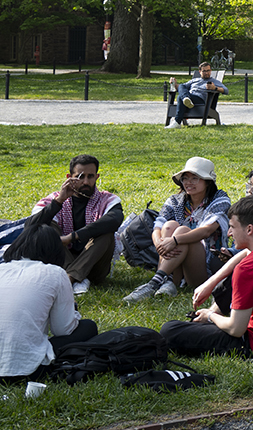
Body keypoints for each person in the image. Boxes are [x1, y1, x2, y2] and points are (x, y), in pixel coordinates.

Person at [161, 195, 253, 357]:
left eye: (232, 227)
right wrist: (211, 282)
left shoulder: (248, 269)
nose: (229, 233)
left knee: (169, 330)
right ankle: (212, 317)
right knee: (234, 271)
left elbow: (236, 329)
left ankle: (210, 316)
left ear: (249, 229)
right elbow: (247, 253)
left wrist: (210, 315)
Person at [0, 218, 98, 381]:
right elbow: (63, 330)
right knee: (88, 327)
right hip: (25, 369)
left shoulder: (2, 269)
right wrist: (73, 311)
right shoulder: (55, 273)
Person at [125, 157, 232, 302]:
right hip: (177, 268)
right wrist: (159, 243)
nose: (188, 182)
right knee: (169, 226)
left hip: (206, 267)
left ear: (207, 182)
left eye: (195, 178)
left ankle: (155, 282)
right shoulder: (176, 200)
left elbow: (207, 230)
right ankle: (169, 281)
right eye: (185, 178)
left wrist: (174, 240)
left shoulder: (220, 199)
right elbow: (158, 224)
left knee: (182, 232)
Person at [31, 154, 124, 295]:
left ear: (97, 177)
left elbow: (115, 219)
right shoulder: (54, 198)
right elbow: (31, 226)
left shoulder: (108, 199)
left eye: (90, 176)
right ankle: (78, 277)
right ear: (69, 177)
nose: (85, 182)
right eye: (80, 176)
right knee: (46, 226)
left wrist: (72, 237)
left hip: (95, 267)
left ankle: (70, 278)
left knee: (106, 231)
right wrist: (59, 201)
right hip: (60, 262)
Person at [166, 61, 228, 127]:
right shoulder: (195, 80)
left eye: (208, 70)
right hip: (190, 98)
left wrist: (215, 88)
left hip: (200, 100)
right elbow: (181, 88)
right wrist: (174, 84)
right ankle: (185, 98)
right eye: (204, 71)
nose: (206, 73)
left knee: (180, 97)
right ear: (200, 72)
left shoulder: (214, 81)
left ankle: (177, 121)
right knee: (181, 86)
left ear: (211, 71)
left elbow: (226, 90)